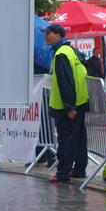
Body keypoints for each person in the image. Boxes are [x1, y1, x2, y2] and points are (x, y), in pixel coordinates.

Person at [43, 23, 89, 183]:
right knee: (79, 139)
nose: (45, 36)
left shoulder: (61, 54)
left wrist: (69, 107)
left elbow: (66, 82)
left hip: (67, 106)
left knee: (66, 141)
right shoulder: (71, 50)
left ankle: (62, 173)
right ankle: (79, 170)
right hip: (80, 102)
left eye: (48, 33)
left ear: (57, 35)